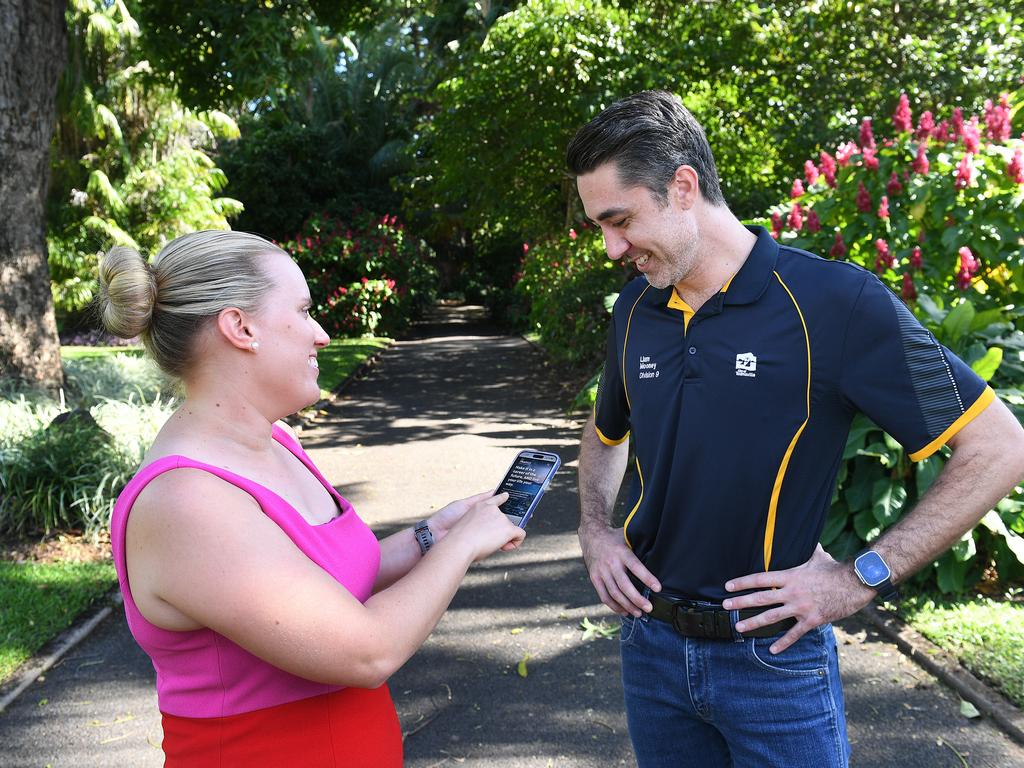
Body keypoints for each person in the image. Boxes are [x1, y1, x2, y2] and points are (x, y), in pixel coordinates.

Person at [567, 90, 1024, 767]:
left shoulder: (836, 304)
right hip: (650, 650)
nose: (611, 249)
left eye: (620, 220)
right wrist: (596, 531)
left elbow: (1000, 446)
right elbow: (607, 431)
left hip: (773, 662)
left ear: (683, 187)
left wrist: (859, 578)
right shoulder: (637, 306)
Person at [97, 230, 525, 767]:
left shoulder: (275, 442)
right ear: (241, 327)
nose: (320, 335)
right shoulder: (187, 501)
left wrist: (431, 535)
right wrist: (458, 549)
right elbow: (367, 652)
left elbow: (329, 587)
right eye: (302, 312)